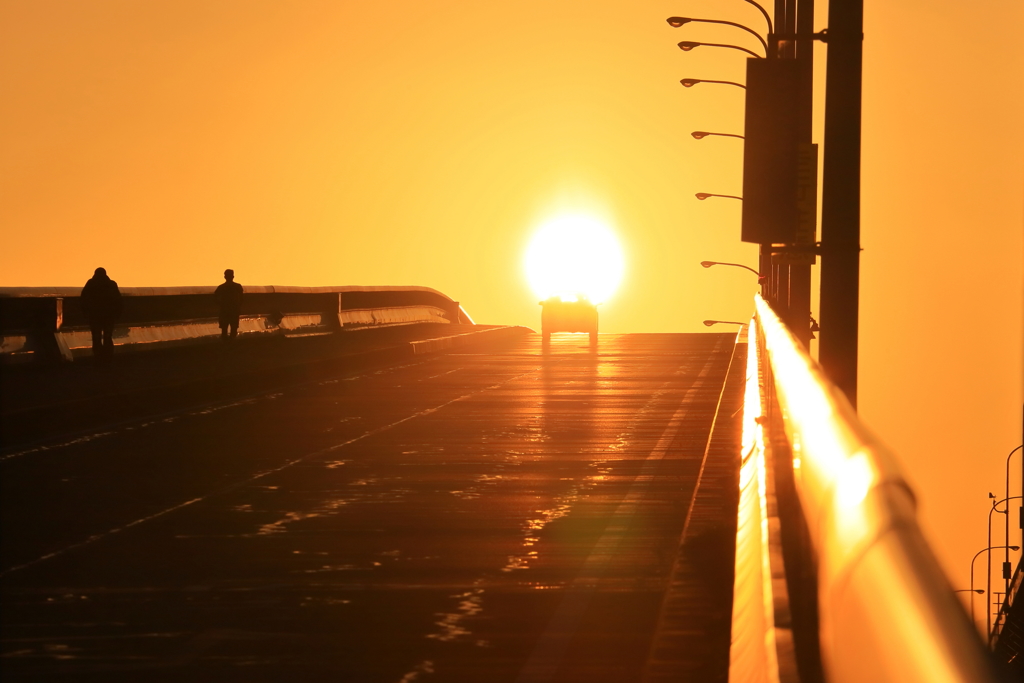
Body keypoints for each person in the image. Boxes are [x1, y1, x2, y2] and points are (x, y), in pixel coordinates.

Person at [80, 267, 123, 358]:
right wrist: (117, 314)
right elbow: (118, 300)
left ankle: (98, 355)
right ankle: (108, 355)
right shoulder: (111, 284)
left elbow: (84, 299)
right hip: (109, 316)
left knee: (96, 337)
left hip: (94, 315)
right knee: (108, 336)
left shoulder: (91, 284)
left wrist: (85, 313)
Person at [214, 269, 244, 339]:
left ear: (225, 277)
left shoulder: (221, 288)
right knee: (234, 329)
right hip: (234, 311)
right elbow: (242, 299)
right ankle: (232, 344)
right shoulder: (238, 287)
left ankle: (225, 345)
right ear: (233, 276)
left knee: (224, 330)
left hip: (224, 311)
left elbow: (216, 298)